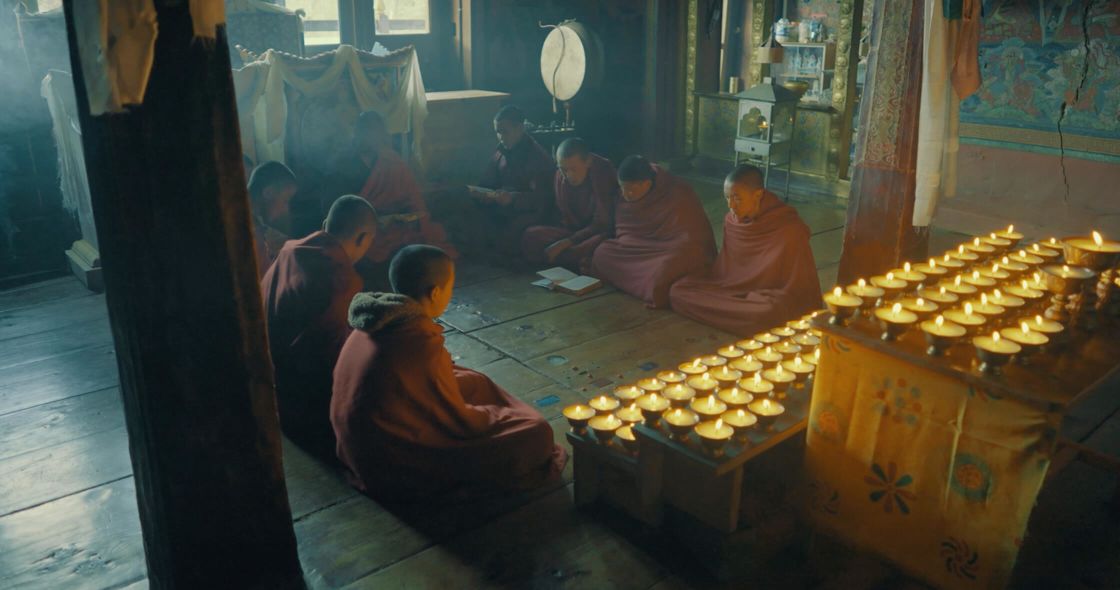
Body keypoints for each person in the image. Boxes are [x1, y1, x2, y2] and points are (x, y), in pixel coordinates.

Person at [331, 245, 567, 501]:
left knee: (475, 381)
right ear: (434, 293)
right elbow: (459, 421)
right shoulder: (416, 341)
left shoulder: (376, 317)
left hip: (356, 444)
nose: (450, 294)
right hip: (390, 459)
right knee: (536, 432)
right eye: (450, 287)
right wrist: (494, 415)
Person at [260, 195, 378, 460]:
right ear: (362, 238)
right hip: (303, 405)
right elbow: (335, 362)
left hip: (268, 383)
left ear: (326, 223)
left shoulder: (289, 250)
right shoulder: (341, 280)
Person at [669, 165, 822, 335]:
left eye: (737, 199)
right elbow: (725, 271)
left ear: (758, 195)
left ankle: (733, 314)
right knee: (678, 291)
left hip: (765, 298)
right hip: (727, 288)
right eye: (727, 198)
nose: (731, 205)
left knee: (768, 313)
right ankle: (736, 316)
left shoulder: (789, 228)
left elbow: (799, 289)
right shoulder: (731, 221)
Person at [589, 155, 716, 308]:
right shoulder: (625, 195)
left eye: (630, 189)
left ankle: (649, 286)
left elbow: (695, 239)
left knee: (664, 272)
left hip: (670, 250)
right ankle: (644, 283)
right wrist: (629, 243)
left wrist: (674, 250)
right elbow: (624, 231)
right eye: (622, 187)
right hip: (637, 247)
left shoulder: (678, 191)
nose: (624, 194)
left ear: (647, 184)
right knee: (602, 253)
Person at [433, 105, 555, 260]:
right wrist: (481, 193)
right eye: (498, 132)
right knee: (455, 199)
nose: (501, 137)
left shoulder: (538, 158)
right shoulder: (501, 152)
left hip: (522, 213)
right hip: (498, 205)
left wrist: (513, 198)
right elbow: (488, 183)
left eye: (505, 132)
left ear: (520, 128)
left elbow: (543, 200)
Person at [337, 111, 457, 269]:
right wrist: (371, 218)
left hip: (395, 222)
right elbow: (340, 205)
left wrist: (416, 217)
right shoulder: (343, 162)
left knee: (428, 235)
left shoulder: (391, 160)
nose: (373, 139)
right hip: (363, 223)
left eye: (377, 134)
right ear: (358, 134)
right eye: (368, 133)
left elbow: (413, 197)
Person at [520, 138, 615, 271]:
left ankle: (570, 260)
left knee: (599, 245)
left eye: (574, 169)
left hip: (596, 232)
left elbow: (603, 223)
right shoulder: (560, 175)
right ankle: (574, 261)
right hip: (571, 231)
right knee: (531, 235)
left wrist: (566, 242)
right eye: (563, 169)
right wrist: (563, 240)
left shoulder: (601, 171)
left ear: (588, 162)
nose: (568, 175)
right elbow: (562, 215)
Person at [247, 161, 298, 278]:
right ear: (268, 193)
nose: (286, 210)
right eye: (286, 200)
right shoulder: (250, 230)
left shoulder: (255, 222)